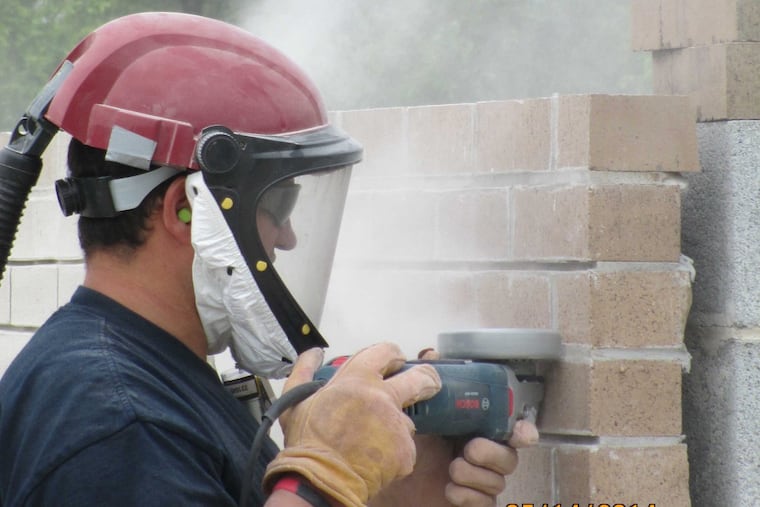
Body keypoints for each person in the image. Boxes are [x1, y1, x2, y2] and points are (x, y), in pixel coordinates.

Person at [0, 12, 536, 507]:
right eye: (278, 204)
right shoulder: (118, 426)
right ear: (183, 211)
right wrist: (324, 477)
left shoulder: (141, 382)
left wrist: (382, 491)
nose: (289, 237)